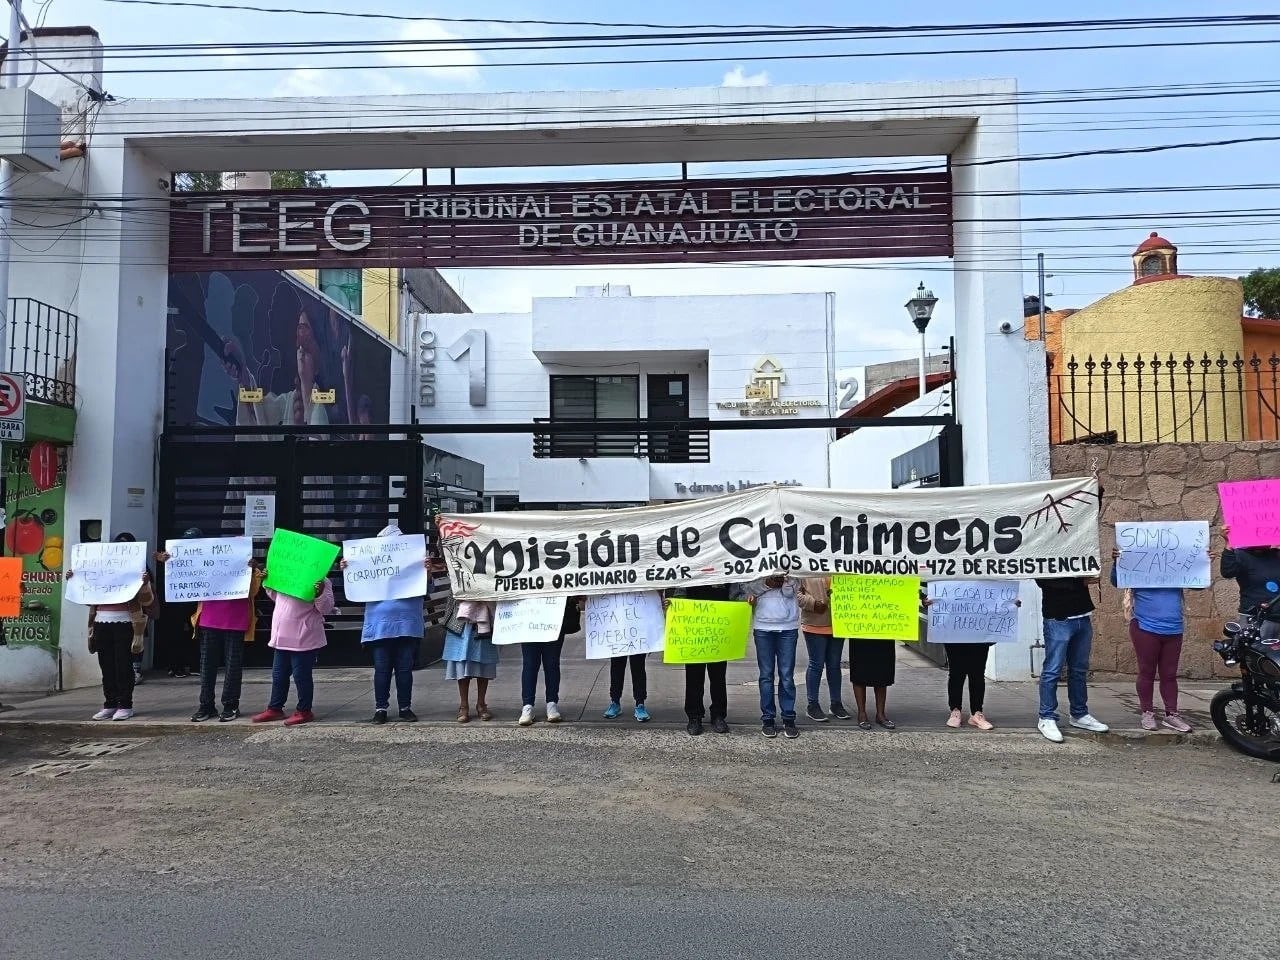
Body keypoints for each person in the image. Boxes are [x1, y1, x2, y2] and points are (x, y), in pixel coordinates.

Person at [156, 528, 264, 723]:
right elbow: (182, 574)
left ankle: (230, 705)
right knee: (207, 665)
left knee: (232, 665)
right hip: (209, 618)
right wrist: (169, 561)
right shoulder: (199, 558)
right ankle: (206, 705)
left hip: (236, 619)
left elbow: (254, 591)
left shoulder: (249, 567)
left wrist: (254, 569)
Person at [69, 533, 159, 721]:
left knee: (123, 665)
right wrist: (75, 580)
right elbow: (87, 598)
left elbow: (147, 601)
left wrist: (144, 584)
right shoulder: (99, 569)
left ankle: (125, 704)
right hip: (101, 622)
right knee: (106, 665)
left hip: (126, 623)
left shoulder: (139, 572)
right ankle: (110, 703)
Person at [344, 523, 426, 724]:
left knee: (404, 669)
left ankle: (404, 707)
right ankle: (381, 708)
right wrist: (349, 568)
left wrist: (426, 571)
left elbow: (426, 588)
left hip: (405, 625)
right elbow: (357, 584)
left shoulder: (415, 562)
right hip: (381, 626)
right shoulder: (370, 563)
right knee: (382, 670)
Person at [1111, 548, 1191, 733]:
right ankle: (1147, 712)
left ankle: (1172, 715)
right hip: (1145, 627)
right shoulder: (1139, 561)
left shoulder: (1176, 562)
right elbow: (1117, 581)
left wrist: (1202, 563)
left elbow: (1198, 584)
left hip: (1174, 627)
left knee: (1169, 674)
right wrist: (1117, 562)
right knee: (1147, 671)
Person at [252, 574, 336, 726]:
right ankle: (275, 708)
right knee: (278, 675)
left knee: (301, 676)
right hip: (282, 636)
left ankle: (304, 710)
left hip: (304, 636)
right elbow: (276, 597)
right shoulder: (288, 574)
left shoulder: (322, 580)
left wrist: (320, 593)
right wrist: (268, 581)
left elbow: (326, 608)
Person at [1035, 575, 1109, 742]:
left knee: (1079, 669)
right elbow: (1042, 579)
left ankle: (1079, 714)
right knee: (1053, 669)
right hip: (1057, 616)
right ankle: (1046, 717)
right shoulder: (1043, 558)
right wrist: (1079, 582)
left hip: (1082, 614)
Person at [673, 583, 735, 737]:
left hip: (719, 627)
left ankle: (718, 715)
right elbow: (680, 591)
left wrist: (741, 603)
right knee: (693, 676)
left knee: (718, 676)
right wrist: (675, 606)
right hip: (693, 628)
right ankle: (694, 717)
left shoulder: (725, 571)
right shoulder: (691, 569)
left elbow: (735, 592)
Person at [745, 574, 800, 739]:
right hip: (763, 626)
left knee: (787, 675)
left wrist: (785, 580)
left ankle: (788, 717)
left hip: (788, 626)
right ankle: (768, 718)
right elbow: (748, 588)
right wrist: (767, 583)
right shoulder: (758, 564)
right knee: (766, 675)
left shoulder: (792, 566)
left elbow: (791, 592)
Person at [519, 596, 581, 727]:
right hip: (529, 618)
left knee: (551, 664)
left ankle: (551, 703)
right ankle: (528, 705)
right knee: (530, 664)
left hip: (554, 617)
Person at [797, 576, 848, 722]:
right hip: (814, 622)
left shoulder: (842, 568)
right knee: (816, 664)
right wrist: (813, 604)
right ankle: (812, 705)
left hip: (838, 623)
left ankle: (836, 703)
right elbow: (796, 594)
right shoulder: (806, 568)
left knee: (834, 665)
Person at [443, 599, 498, 723]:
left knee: (483, 660)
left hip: (485, 614)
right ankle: (463, 706)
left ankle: (481, 704)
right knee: (461, 662)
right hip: (461, 618)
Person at [1220, 527, 1280, 640]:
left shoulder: (1276, 555)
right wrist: (1229, 543)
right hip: (1255, 618)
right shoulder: (1241, 555)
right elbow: (1227, 572)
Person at [848, 636, 896, 731]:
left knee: (882, 671)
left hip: (884, 635)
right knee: (859, 671)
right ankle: (862, 714)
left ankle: (880, 714)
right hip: (859, 635)